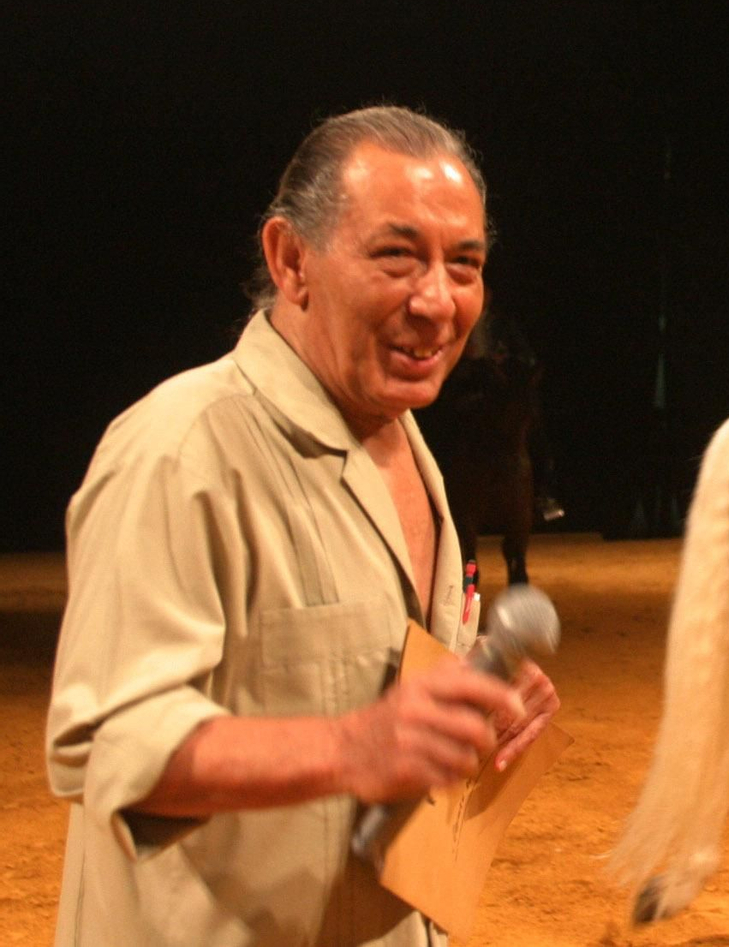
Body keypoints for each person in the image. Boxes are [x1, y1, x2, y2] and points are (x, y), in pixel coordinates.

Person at [46, 106, 561, 946]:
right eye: (397, 256)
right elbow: (107, 745)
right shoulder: (182, 451)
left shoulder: (406, 443)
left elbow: (353, 677)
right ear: (291, 260)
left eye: (463, 265)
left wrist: (475, 693)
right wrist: (352, 746)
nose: (437, 301)